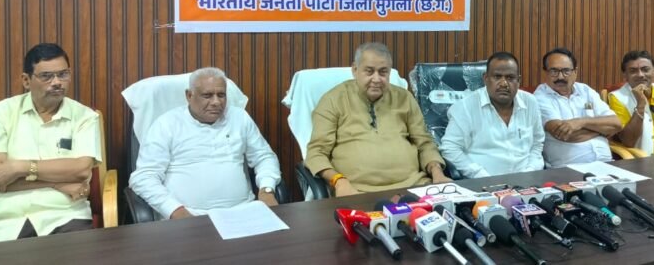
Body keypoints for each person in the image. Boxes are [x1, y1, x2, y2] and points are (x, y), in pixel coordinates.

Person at [129, 67, 281, 220]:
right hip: (189, 216)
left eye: (221, 95)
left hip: (243, 211)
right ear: (189, 95)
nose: (216, 102)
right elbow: (144, 177)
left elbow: (264, 157)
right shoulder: (166, 124)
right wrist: (175, 211)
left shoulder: (239, 117)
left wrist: (267, 190)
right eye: (207, 95)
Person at [306, 42, 449, 196]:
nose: (376, 79)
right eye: (369, 71)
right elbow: (317, 152)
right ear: (355, 70)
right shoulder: (333, 100)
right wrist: (339, 181)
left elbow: (424, 143)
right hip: (357, 192)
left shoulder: (404, 98)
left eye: (383, 72)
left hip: (414, 187)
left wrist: (437, 172)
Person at [0, 43, 101, 242]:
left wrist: (19, 167)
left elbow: (82, 171)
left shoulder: (85, 117)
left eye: (63, 74)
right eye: (46, 76)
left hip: (65, 216)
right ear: (26, 80)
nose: (57, 82)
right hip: (7, 220)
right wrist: (58, 183)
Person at [440, 52, 544, 178]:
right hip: (482, 182)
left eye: (510, 78)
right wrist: (480, 175)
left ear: (518, 81)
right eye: (497, 77)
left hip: (527, 181)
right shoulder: (465, 107)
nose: (504, 83)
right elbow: (450, 148)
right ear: (485, 78)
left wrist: (530, 171)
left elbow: (537, 144)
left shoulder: (530, 102)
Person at [534, 47, 621, 167]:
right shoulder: (540, 97)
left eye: (566, 71)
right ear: (545, 73)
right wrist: (601, 131)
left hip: (607, 163)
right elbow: (565, 134)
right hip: (569, 168)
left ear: (575, 72)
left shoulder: (585, 90)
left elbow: (616, 124)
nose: (560, 77)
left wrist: (581, 122)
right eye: (554, 71)